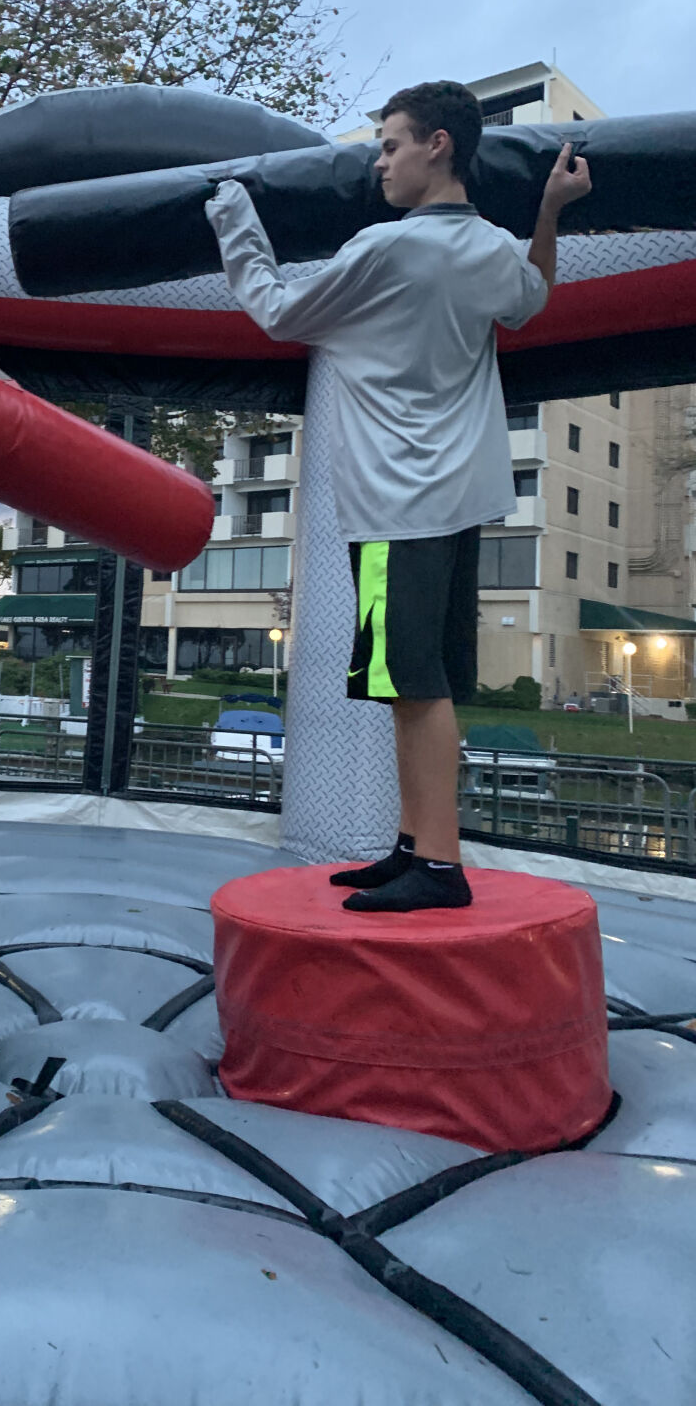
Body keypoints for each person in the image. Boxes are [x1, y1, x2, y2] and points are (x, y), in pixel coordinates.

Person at [204, 80, 591, 912]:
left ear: (437, 145)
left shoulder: (384, 249)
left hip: (396, 497)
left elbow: (274, 311)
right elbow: (531, 300)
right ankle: (416, 845)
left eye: (389, 144)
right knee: (424, 682)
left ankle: (438, 866)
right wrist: (550, 212)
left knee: (408, 684)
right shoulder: (491, 246)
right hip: (458, 495)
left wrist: (231, 211)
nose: (377, 161)